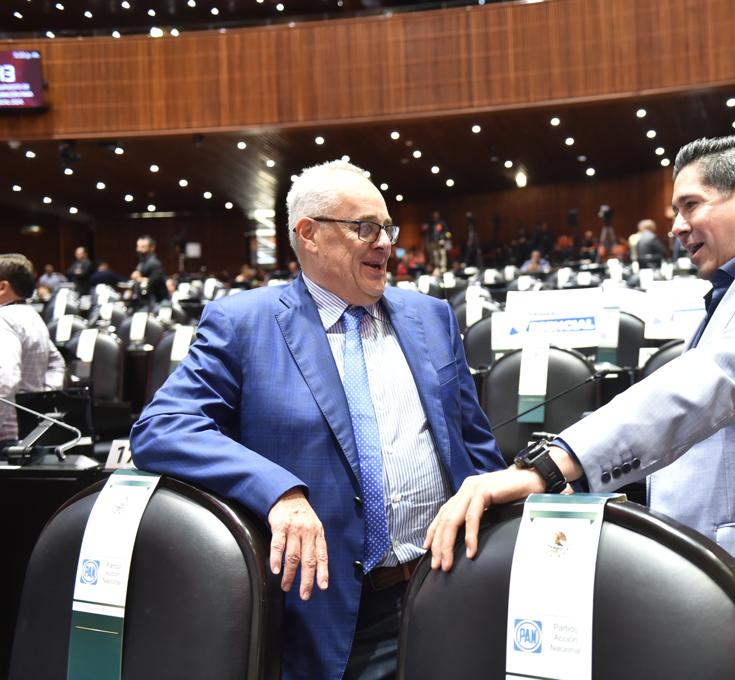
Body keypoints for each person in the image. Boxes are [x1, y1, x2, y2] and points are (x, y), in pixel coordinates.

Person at [426, 135, 735, 680]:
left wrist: (552, 465)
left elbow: (714, 384)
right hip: (711, 577)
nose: (677, 227)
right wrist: (591, 486)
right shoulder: (729, 293)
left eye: (690, 205)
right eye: (674, 213)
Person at [130, 159, 504, 679]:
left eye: (387, 228)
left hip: (448, 587)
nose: (384, 244)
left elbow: (475, 447)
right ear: (309, 234)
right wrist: (277, 491)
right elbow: (163, 428)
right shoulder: (244, 324)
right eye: (364, 228)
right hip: (331, 617)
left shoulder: (431, 316)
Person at [0, 254, 66, 444]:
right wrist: (40, 402)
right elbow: (57, 364)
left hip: (5, 435)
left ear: (3, 287)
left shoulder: (3, 319)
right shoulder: (31, 315)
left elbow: (5, 378)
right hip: (30, 430)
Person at [131, 235, 169, 308]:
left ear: (152, 248)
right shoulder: (142, 263)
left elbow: (155, 281)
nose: (139, 250)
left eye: (143, 247)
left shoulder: (155, 263)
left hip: (156, 303)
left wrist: (139, 279)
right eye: (138, 246)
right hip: (145, 302)